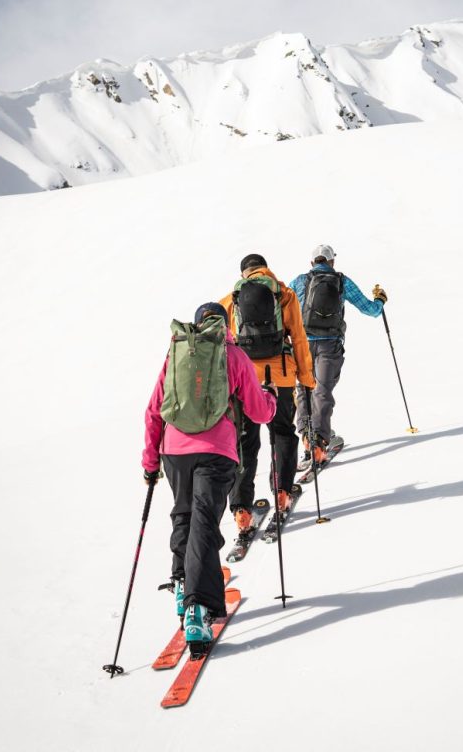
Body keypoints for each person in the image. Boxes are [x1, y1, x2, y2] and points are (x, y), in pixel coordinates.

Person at [142, 302, 276, 652]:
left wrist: (150, 462)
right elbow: (258, 412)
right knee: (204, 522)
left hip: (174, 450)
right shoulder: (233, 355)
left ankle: (182, 583)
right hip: (216, 452)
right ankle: (198, 608)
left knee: (184, 513)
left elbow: (154, 410)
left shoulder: (178, 354)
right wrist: (271, 398)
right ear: (226, 324)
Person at [220, 254, 315, 534]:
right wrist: (306, 379)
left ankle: (241, 509)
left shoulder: (231, 299)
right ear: (266, 269)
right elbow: (299, 338)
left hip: (243, 380)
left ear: (244, 273)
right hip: (281, 376)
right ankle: (282, 492)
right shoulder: (285, 295)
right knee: (282, 433)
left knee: (244, 442)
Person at [289, 244, 387, 463]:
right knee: (322, 391)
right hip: (330, 344)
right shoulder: (342, 281)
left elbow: (282, 308)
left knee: (303, 390)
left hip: (302, 345)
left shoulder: (299, 281)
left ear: (312, 262)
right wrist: (380, 300)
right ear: (332, 262)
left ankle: (307, 438)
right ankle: (319, 442)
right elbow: (370, 310)